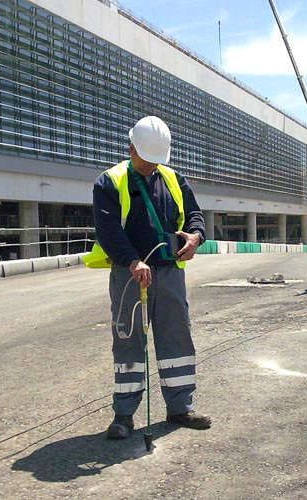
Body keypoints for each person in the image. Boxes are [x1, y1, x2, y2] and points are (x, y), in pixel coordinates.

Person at [88, 116, 214, 439]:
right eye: (147, 160)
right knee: (129, 341)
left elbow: (196, 215)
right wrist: (132, 261)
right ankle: (124, 415)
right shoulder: (109, 183)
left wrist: (195, 238)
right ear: (131, 148)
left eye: (157, 162)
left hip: (169, 271)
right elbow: (109, 231)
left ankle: (180, 407)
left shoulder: (172, 178)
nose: (152, 167)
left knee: (176, 338)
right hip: (130, 275)